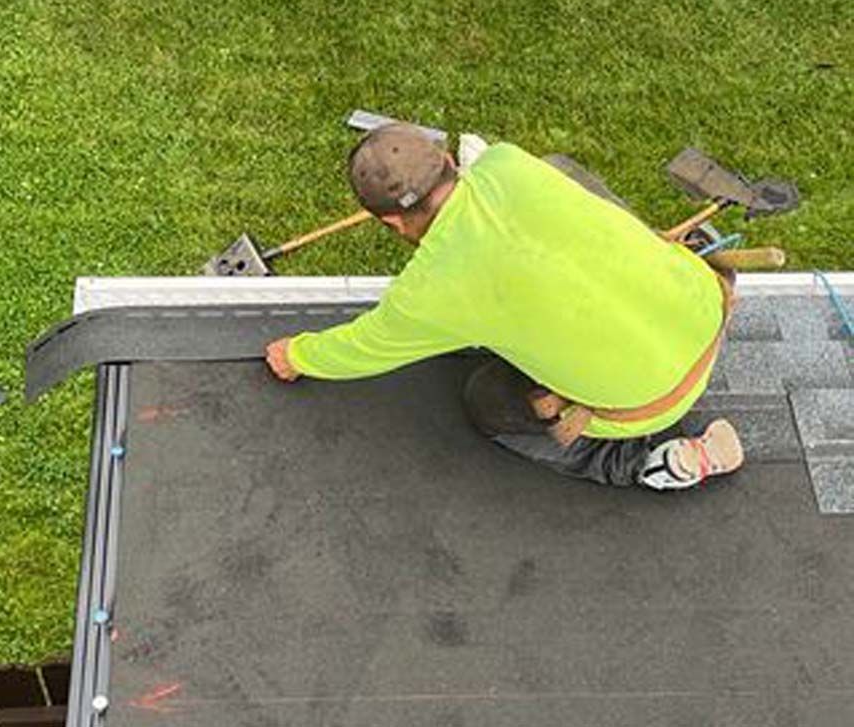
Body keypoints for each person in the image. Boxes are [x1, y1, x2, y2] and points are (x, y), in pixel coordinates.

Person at [264, 124, 744, 490]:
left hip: (651, 403)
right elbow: (491, 164)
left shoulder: (430, 292)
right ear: (450, 160)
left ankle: (647, 462)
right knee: (560, 168)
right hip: (708, 305)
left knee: (486, 398)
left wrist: (296, 355)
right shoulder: (510, 163)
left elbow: (361, 347)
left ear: (391, 223)